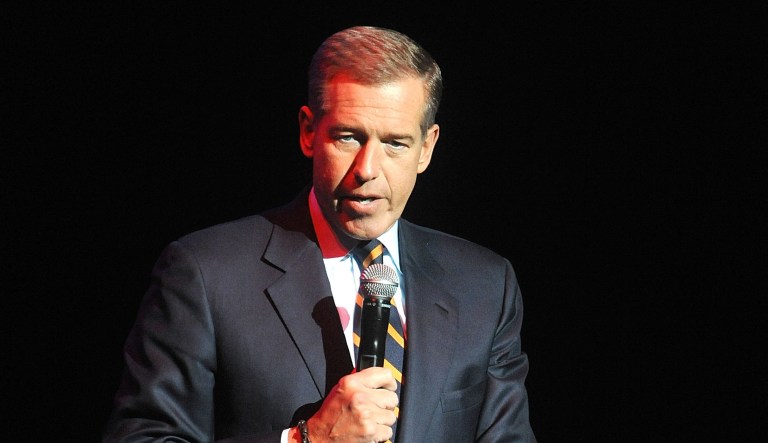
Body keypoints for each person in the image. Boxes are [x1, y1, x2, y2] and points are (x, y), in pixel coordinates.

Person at [103, 25, 536, 443]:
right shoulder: (204, 274)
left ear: (427, 148)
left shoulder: (485, 285)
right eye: (348, 137)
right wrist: (305, 440)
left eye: (395, 144)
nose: (367, 169)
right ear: (309, 131)